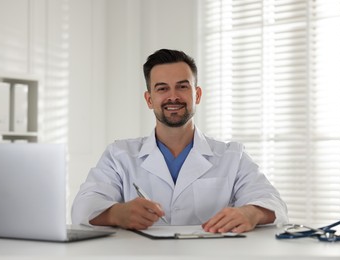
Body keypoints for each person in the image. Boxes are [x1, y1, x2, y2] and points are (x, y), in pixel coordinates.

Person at [71, 49, 288, 233]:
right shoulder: (119, 155)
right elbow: (82, 208)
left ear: (198, 95)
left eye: (182, 86)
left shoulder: (232, 155)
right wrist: (117, 214)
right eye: (162, 88)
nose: (173, 96)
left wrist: (251, 212)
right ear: (149, 99)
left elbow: (273, 202)